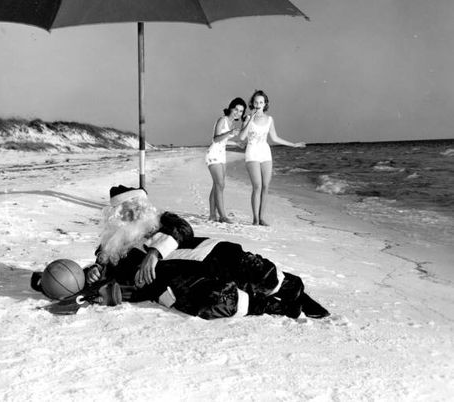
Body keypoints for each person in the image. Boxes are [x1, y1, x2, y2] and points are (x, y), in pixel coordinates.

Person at [34, 186, 329, 320]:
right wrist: (92, 273)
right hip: (178, 285)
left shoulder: (162, 221)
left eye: (136, 207)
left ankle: (292, 288)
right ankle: (275, 307)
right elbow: (97, 280)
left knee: (259, 273)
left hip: (211, 255)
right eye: (125, 211)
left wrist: (154, 254)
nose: (132, 213)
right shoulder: (109, 248)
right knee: (219, 302)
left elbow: (183, 228)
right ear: (116, 217)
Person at [240, 90, 305, 226]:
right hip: (252, 152)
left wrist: (293, 145)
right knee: (257, 186)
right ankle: (255, 219)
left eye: (261, 102)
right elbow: (241, 137)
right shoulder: (247, 118)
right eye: (256, 102)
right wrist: (250, 118)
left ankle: (262, 218)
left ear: (265, 104)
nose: (258, 104)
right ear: (252, 103)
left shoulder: (269, 119)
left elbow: (275, 138)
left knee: (265, 186)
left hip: (265, 153)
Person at [204, 97, 246, 223]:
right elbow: (216, 139)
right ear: (231, 108)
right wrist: (230, 133)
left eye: (241, 111)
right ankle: (222, 216)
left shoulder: (231, 123)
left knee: (217, 185)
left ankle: (212, 215)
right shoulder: (222, 120)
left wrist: (237, 144)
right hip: (213, 154)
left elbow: (224, 141)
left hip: (222, 155)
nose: (237, 113)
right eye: (236, 109)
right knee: (220, 184)